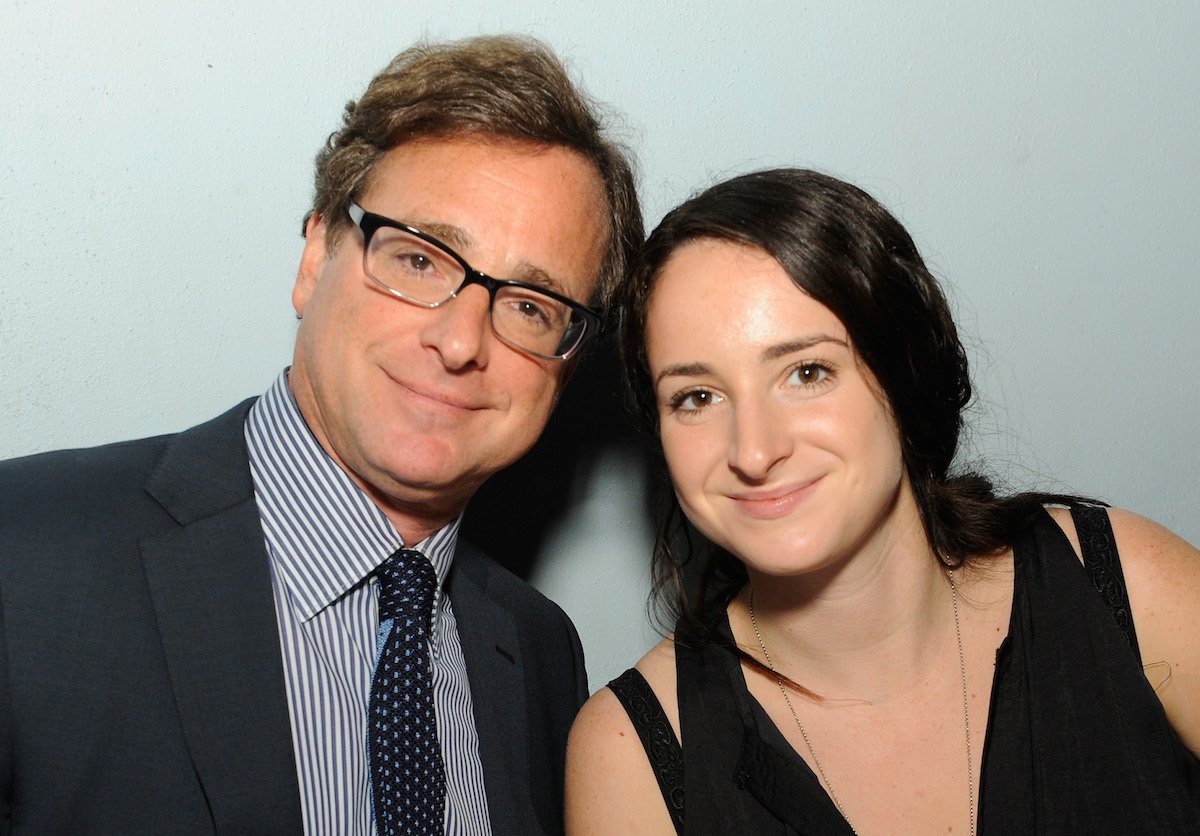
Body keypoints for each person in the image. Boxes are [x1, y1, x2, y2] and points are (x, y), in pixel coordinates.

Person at [0, 35, 642, 835]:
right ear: (315, 258)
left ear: (566, 364)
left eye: (528, 307)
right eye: (420, 260)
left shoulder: (541, 652)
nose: (460, 341)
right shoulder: (24, 557)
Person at [565, 168, 1200, 833]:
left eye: (807, 373)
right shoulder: (633, 753)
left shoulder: (1119, 584)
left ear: (903, 376)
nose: (753, 451)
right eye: (696, 397)